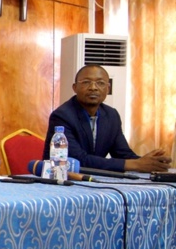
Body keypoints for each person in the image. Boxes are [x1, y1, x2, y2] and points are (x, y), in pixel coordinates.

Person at [43, 64, 171, 172]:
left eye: (100, 83)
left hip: (95, 180)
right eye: (86, 82)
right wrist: (135, 164)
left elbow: (122, 154)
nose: (93, 87)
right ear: (75, 88)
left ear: (108, 88)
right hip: (63, 178)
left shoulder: (111, 115)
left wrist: (147, 161)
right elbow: (77, 159)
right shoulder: (62, 116)